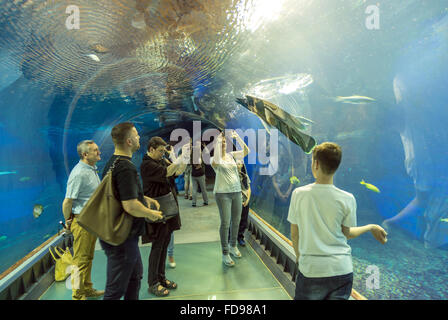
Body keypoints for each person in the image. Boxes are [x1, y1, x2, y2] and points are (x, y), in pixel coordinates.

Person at [287, 142, 388, 300]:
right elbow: (347, 233)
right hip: (342, 271)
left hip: (311, 270)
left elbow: (294, 233)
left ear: (316, 164)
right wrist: (370, 227)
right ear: (336, 166)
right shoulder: (347, 199)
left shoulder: (299, 194)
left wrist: (301, 258)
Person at [100, 122, 163, 300]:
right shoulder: (126, 167)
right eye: (136, 135)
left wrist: (145, 199)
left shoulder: (113, 163)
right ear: (128, 141)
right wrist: (151, 214)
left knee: (134, 278)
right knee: (115, 290)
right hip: (122, 239)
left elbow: (120, 196)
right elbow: (130, 206)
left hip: (122, 237)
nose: (139, 138)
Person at [140, 136, 190, 296]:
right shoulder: (147, 165)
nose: (163, 153)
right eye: (160, 151)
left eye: (164, 151)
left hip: (167, 210)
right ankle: (153, 283)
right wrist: (180, 157)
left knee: (165, 243)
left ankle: (161, 278)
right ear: (151, 149)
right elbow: (168, 171)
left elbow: (176, 172)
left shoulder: (160, 161)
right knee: (157, 247)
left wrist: (185, 158)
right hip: (157, 211)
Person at [62, 140, 104, 300]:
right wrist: (68, 221)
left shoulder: (91, 169)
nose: (99, 152)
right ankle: (78, 295)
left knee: (88, 257)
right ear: (85, 154)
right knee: (80, 259)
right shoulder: (79, 173)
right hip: (82, 221)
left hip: (91, 220)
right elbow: (67, 201)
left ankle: (87, 288)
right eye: (95, 150)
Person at [211, 130, 250, 267]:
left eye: (224, 142)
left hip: (236, 192)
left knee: (236, 221)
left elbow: (246, 151)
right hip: (223, 194)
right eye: (220, 142)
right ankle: (225, 253)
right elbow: (215, 162)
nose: (223, 144)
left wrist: (237, 138)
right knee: (225, 223)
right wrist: (217, 143)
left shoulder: (231, 156)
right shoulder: (214, 159)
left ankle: (233, 246)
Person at [191, 141, 209, 207]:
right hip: (201, 174)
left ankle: (193, 203)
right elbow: (207, 153)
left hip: (193, 174)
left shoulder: (192, 152)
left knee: (194, 189)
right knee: (203, 188)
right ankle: (206, 201)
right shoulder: (200, 152)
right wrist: (205, 147)